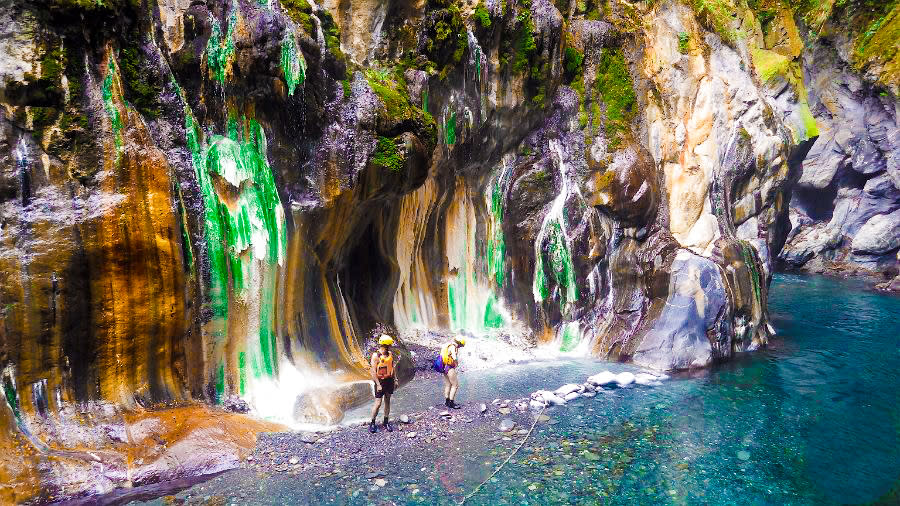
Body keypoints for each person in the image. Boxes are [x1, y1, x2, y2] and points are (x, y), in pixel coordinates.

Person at [369, 334, 396, 433]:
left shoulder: (390, 354)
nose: (390, 347)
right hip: (380, 381)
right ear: (386, 345)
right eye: (389, 345)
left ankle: (386, 421)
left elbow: (393, 367)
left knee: (387, 401)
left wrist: (395, 379)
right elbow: (373, 371)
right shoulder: (376, 356)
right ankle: (372, 422)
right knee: (378, 403)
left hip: (389, 380)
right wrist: (378, 385)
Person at [433, 336, 465, 409]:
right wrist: (456, 363)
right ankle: (451, 403)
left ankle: (447, 401)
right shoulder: (453, 347)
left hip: (443, 367)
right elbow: (454, 357)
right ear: (459, 343)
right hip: (449, 367)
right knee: (455, 385)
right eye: (460, 346)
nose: (459, 347)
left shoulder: (446, 345)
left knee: (448, 384)